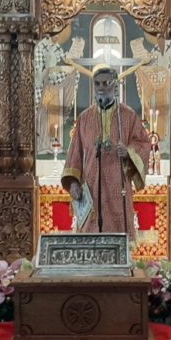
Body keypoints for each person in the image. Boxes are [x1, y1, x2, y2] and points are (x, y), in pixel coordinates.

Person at [61, 64, 150, 239]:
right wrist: (73, 183)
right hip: (91, 187)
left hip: (118, 188)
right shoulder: (84, 118)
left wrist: (129, 152)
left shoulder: (128, 116)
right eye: (97, 84)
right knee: (91, 237)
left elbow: (144, 143)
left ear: (115, 85)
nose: (101, 87)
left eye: (106, 83)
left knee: (118, 236)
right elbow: (75, 154)